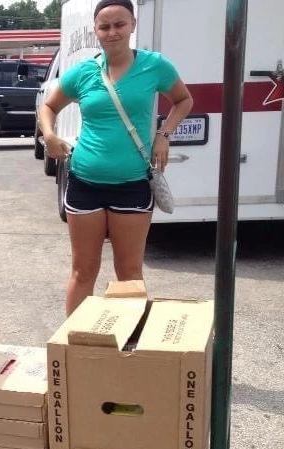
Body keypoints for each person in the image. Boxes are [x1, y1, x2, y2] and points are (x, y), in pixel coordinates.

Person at [39, 0, 193, 315]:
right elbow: (49, 106)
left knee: (129, 275)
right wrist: (50, 136)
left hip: (132, 184)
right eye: (104, 26)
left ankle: (129, 353)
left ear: (132, 26)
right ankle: (76, 349)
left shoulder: (154, 66)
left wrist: (164, 135)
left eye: (119, 25)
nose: (112, 33)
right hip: (84, 183)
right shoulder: (83, 72)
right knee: (83, 272)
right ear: (95, 30)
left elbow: (183, 99)